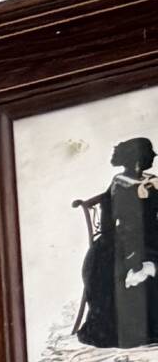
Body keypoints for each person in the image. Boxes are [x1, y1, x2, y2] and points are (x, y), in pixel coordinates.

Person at [76, 135, 158, 350]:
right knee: (138, 262)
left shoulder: (151, 181)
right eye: (149, 155)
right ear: (137, 159)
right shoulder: (119, 186)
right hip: (122, 239)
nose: (153, 158)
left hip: (150, 234)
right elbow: (112, 221)